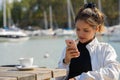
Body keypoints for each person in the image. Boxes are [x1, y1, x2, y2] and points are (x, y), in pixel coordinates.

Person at [56, 2, 120, 80]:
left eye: (86, 30)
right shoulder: (68, 49)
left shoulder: (105, 50)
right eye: (78, 29)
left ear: (96, 29)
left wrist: (79, 78)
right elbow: (58, 78)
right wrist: (65, 61)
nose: (80, 34)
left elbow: (113, 73)